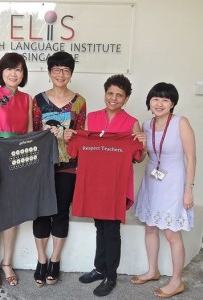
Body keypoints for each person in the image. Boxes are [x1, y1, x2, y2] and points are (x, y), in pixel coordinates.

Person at [75, 74, 147, 297]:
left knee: (112, 229)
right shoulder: (92, 118)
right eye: (110, 93)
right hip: (96, 181)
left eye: (119, 95)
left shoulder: (132, 123)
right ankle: (99, 268)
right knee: (100, 226)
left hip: (116, 184)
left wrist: (143, 147)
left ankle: (110, 276)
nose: (113, 98)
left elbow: (137, 158)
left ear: (126, 99)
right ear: (105, 93)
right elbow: (83, 145)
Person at [131, 82, 196, 298]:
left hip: (174, 182)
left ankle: (177, 281)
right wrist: (139, 147)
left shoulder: (180, 123)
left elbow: (191, 157)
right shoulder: (146, 125)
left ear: (173, 103)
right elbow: (141, 158)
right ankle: (153, 270)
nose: (159, 103)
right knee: (150, 227)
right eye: (156, 98)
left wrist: (188, 189)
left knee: (171, 233)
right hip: (152, 180)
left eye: (165, 99)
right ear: (149, 100)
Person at [32, 51, 86, 287]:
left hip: (68, 166)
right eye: (56, 69)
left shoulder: (79, 102)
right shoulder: (38, 100)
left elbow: (83, 137)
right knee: (41, 212)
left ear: (71, 74)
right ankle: (41, 260)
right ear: (49, 72)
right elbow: (32, 133)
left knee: (61, 212)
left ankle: (55, 260)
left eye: (65, 70)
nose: (60, 74)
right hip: (41, 166)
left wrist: (71, 136)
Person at [0, 52, 33, 289]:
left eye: (19, 69)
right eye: (10, 69)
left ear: (23, 74)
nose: (14, 74)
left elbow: (30, 135)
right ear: (1, 72)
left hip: (19, 163)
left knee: (12, 217)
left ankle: (7, 262)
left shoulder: (27, 99)